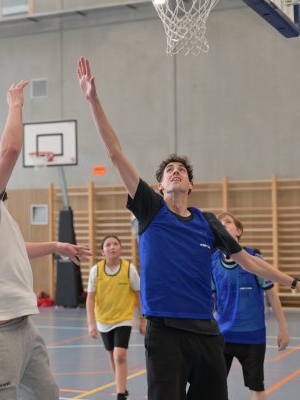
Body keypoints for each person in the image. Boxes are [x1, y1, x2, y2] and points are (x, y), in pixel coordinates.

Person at [76, 56, 300, 400]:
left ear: (191, 185)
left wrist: (292, 280)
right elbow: (115, 153)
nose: (176, 171)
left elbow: (249, 261)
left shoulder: (207, 221)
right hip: (164, 330)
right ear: (160, 186)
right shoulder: (150, 209)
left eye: (182, 170)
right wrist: (93, 101)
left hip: (206, 331)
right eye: (170, 171)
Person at [0, 80, 91, 400]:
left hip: (23, 327)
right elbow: (10, 150)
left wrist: (54, 246)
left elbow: (13, 251)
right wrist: (15, 105)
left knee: (47, 395)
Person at [212, 212, 290, 400]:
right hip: (223, 336)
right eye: (220, 223)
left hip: (252, 336)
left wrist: (283, 328)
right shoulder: (212, 260)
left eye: (228, 222)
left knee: (257, 387)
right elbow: (211, 298)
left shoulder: (254, 257)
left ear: (239, 231)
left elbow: (271, 293)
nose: (223, 224)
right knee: (213, 387)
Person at [86, 235, 146, 400]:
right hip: (103, 319)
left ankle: (120, 395)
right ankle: (122, 386)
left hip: (123, 319)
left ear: (120, 248)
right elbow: (90, 298)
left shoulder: (129, 269)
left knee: (120, 355)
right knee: (113, 355)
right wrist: (91, 323)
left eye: (115, 244)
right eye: (108, 245)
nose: (112, 247)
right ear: (102, 251)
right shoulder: (96, 270)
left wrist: (142, 320)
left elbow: (138, 295)